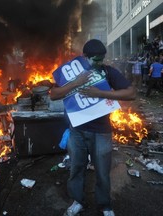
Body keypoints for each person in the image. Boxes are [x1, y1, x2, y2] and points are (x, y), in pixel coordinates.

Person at [50, 39, 136, 216]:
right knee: (76, 168)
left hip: (101, 131)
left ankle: (105, 205)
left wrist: (101, 93)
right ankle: (77, 201)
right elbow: (53, 95)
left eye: (102, 59)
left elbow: (131, 93)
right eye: (96, 59)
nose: (99, 63)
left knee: (103, 170)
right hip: (77, 130)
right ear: (85, 56)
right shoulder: (71, 73)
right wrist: (76, 82)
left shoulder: (107, 71)